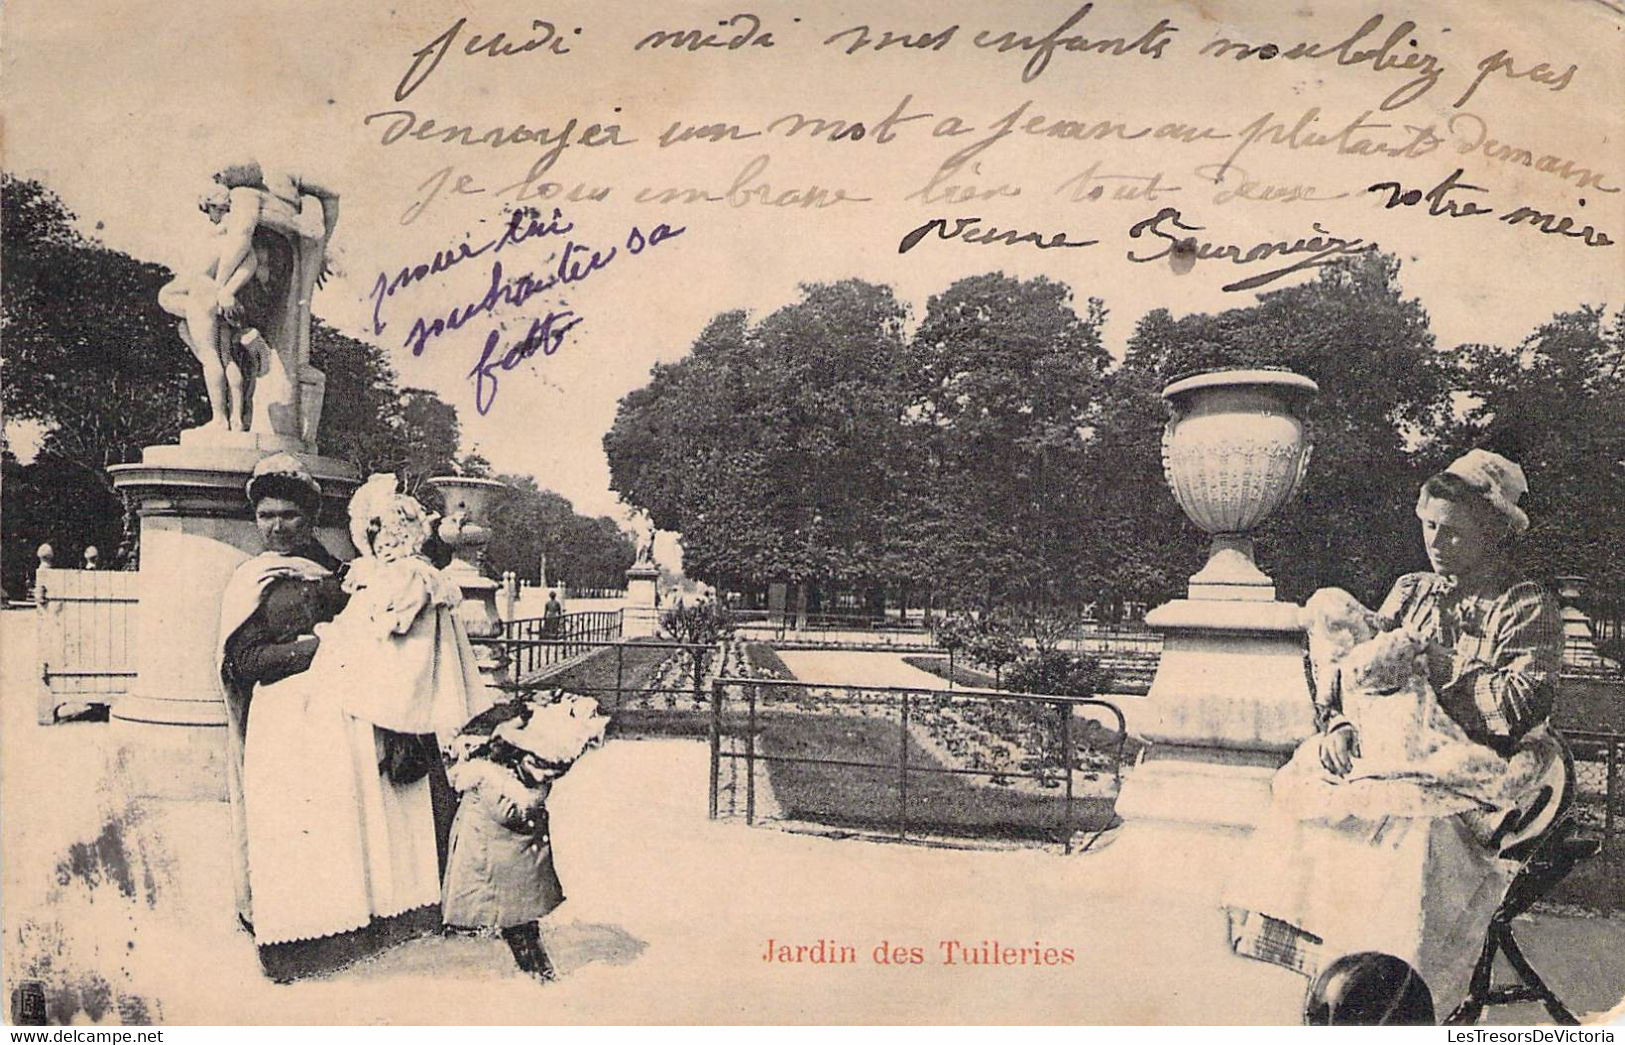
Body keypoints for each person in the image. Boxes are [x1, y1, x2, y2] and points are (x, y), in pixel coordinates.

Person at [1225, 447, 1566, 1017]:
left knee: (1412, 840)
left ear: (1494, 534)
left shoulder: (1524, 604)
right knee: (1317, 815)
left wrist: (1436, 662)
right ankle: (1345, 984)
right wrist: (1339, 723)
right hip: (1398, 754)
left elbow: (1518, 707)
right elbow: (1359, 674)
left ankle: (1400, 992)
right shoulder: (1412, 592)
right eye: (1430, 526)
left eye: (1455, 532)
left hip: (1490, 769)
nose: (1437, 542)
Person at [217, 454, 350, 934]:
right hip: (280, 717)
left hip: (332, 716)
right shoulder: (252, 580)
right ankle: (280, 921)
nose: (276, 526)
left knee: (330, 816)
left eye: (288, 515)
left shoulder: (336, 572)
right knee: (284, 820)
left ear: (311, 517)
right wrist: (316, 648)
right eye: (265, 515)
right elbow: (243, 662)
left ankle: (332, 918)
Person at [440, 693, 608, 982]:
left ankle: (538, 973)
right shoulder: (506, 779)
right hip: (505, 863)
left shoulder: (504, 779)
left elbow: (515, 810)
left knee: (518, 923)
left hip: (506, 865)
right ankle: (540, 973)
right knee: (518, 923)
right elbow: (513, 812)